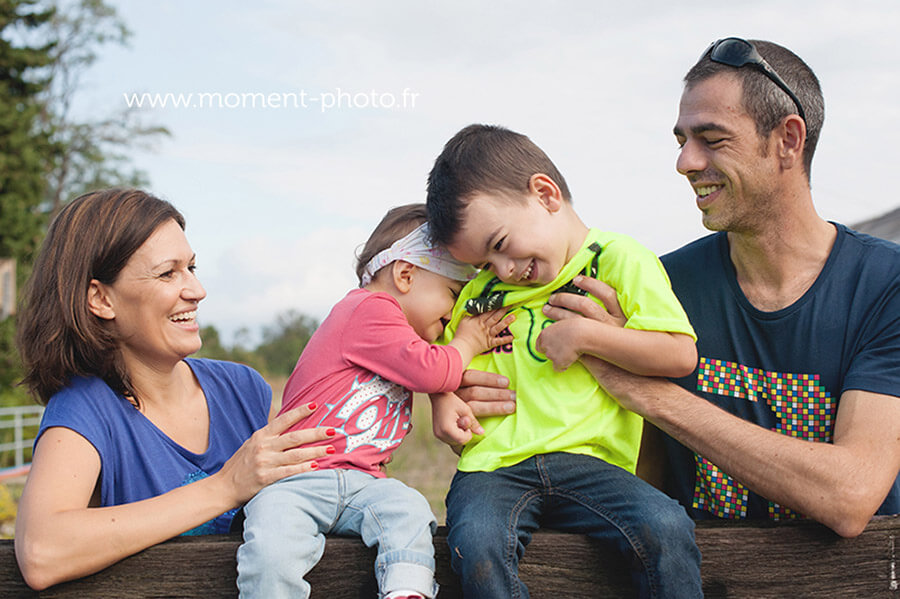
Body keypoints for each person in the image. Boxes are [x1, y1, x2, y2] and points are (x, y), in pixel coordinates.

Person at [544, 38, 900, 537]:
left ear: (788, 141)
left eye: (712, 138)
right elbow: (639, 482)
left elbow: (850, 494)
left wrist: (651, 393)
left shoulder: (885, 285)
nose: (685, 162)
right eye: (682, 141)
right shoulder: (661, 285)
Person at [425, 124, 703, 599]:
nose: (504, 270)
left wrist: (590, 335)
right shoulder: (483, 295)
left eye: (499, 245)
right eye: (485, 265)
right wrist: (441, 398)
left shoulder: (618, 259)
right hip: (494, 467)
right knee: (475, 540)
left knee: (665, 524)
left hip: (590, 462)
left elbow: (679, 353)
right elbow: (445, 362)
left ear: (545, 194)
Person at [13, 188, 333, 591]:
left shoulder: (244, 389)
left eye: (192, 268)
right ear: (100, 298)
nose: (196, 291)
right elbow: (42, 552)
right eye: (168, 273)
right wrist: (224, 488)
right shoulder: (84, 409)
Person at [236, 204, 514, 599]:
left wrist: (441, 393)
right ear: (405, 274)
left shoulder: (395, 332)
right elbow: (431, 370)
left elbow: (425, 369)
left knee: (410, 511)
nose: (454, 313)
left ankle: (406, 591)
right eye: (453, 293)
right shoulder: (368, 309)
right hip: (298, 476)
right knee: (272, 542)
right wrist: (467, 341)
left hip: (364, 483)